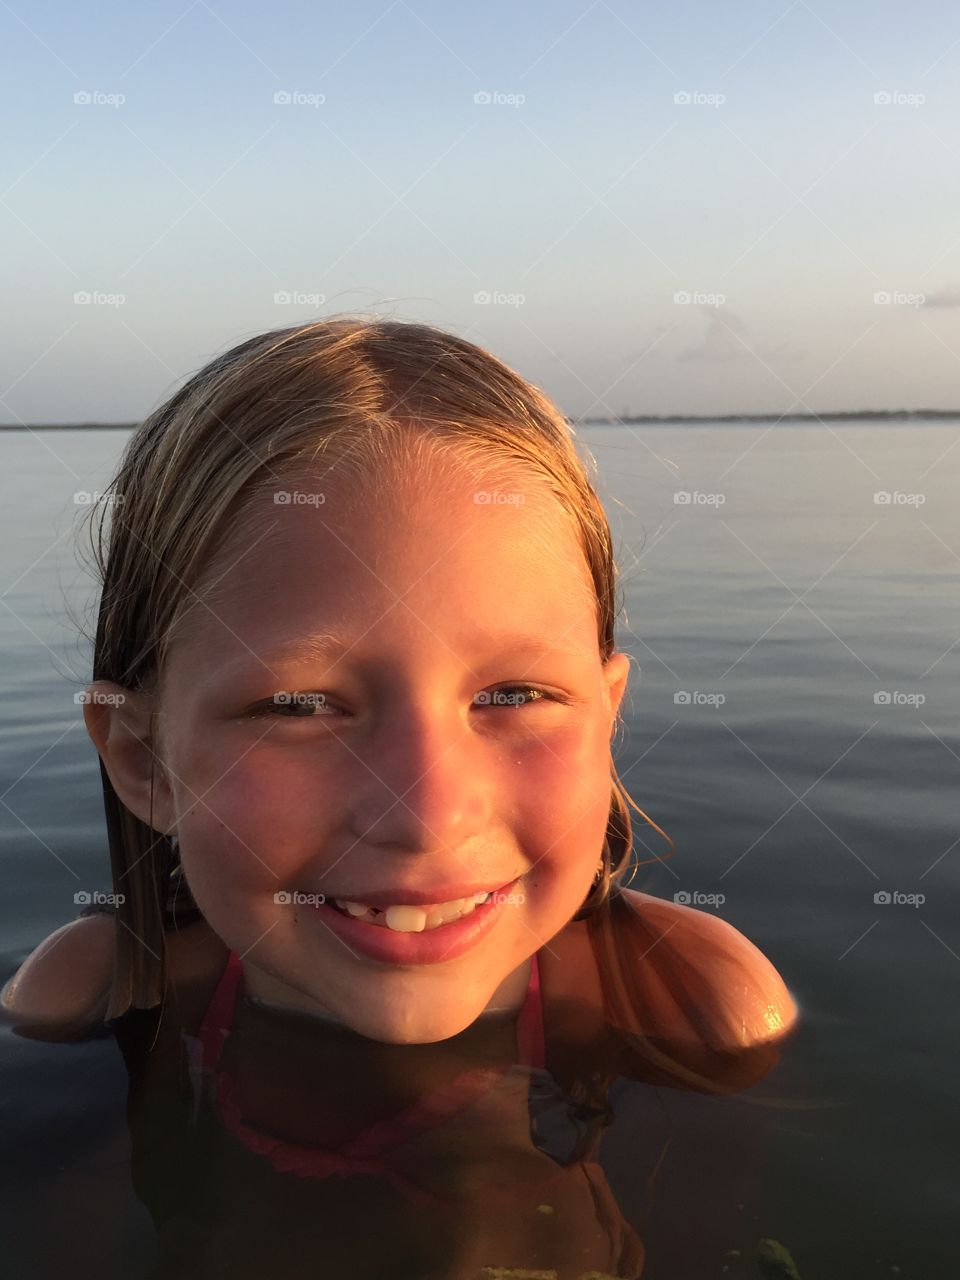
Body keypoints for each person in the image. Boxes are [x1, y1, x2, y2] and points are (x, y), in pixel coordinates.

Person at [1, 318, 799, 1278]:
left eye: (513, 695)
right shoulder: (99, 1000)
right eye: (297, 706)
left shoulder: (687, 1011)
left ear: (607, 715)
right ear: (144, 763)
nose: (425, 815)